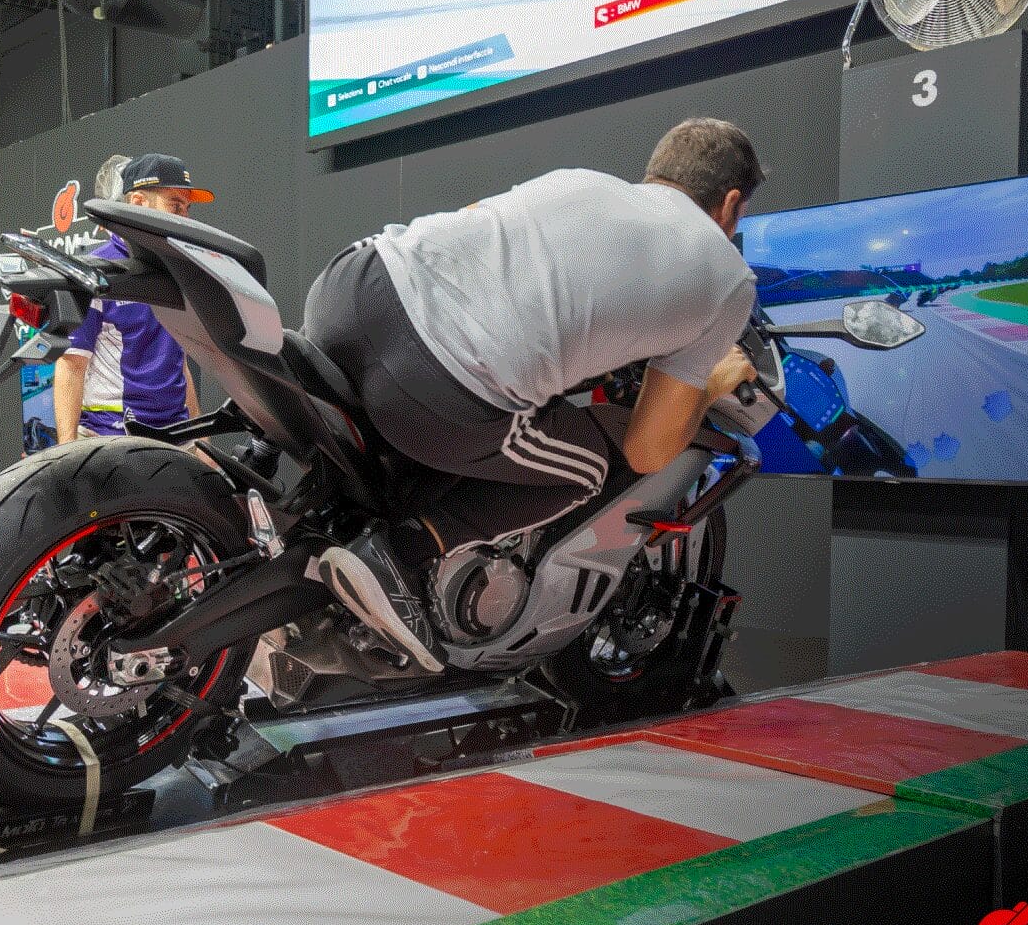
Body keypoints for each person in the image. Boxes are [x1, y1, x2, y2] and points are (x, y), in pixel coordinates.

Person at [301, 118, 764, 670]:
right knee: (586, 472)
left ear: (657, 173)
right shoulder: (730, 278)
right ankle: (403, 552)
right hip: (428, 380)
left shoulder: (577, 181)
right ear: (731, 204)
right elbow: (647, 450)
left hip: (349, 287)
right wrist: (708, 384)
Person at [54, 153, 207, 442]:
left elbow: (180, 365)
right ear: (138, 203)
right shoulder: (98, 272)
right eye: (175, 206)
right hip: (111, 438)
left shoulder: (178, 271)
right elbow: (71, 365)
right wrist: (67, 450)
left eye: (187, 209)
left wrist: (200, 439)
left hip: (176, 438)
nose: (185, 218)